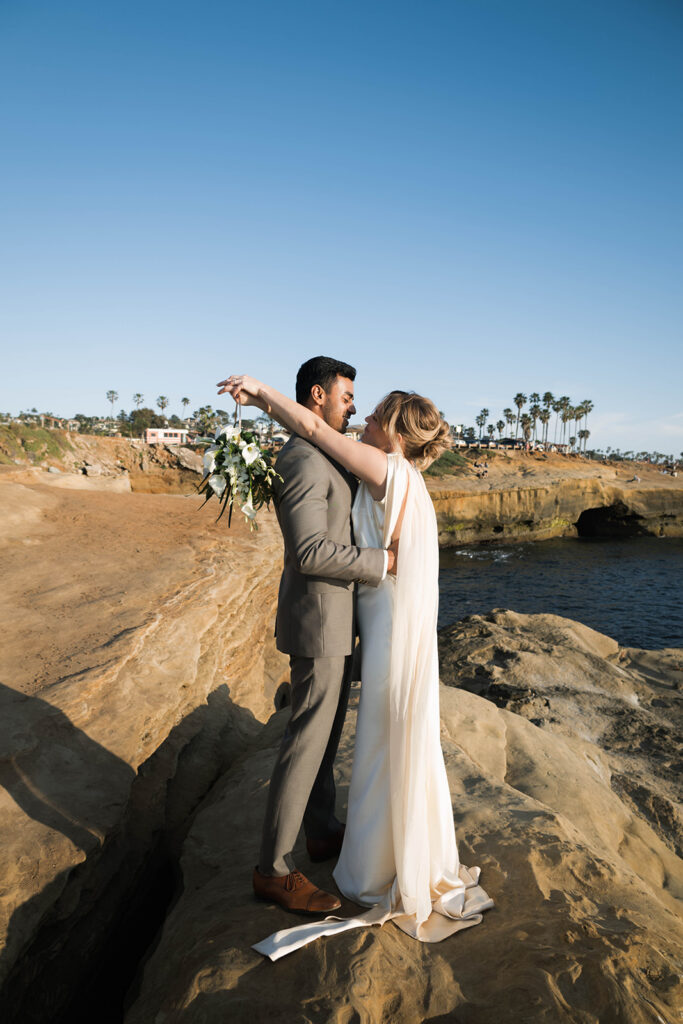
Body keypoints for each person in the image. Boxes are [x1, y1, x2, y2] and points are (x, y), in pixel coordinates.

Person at [216, 370, 494, 960]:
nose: (360, 416)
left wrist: (262, 394)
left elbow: (316, 427)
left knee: (373, 738)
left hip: (376, 629)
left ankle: (356, 847)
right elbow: (314, 537)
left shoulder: (386, 469)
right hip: (354, 625)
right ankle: (304, 857)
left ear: (394, 433)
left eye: (371, 414)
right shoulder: (379, 472)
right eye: (353, 403)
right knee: (349, 739)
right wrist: (381, 563)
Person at [240, 357, 394, 916]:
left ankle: (323, 830)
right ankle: (273, 870)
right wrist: (380, 563)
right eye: (346, 396)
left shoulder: (323, 449)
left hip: (338, 620)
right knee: (306, 742)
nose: (352, 406)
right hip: (320, 623)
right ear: (317, 396)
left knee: (325, 738)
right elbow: (308, 552)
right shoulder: (303, 459)